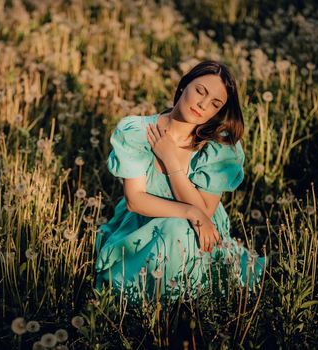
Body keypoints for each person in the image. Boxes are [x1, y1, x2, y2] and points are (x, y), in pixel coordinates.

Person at [94, 60, 266, 307]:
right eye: (200, 91)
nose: (202, 105)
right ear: (184, 84)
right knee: (175, 230)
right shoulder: (138, 131)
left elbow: (205, 212)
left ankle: (181, 309)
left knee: (181, 232)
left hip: (201, 233)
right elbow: (135, 200)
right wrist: (189, 211)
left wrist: (171, 160)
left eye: (215, 104)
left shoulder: (218, 148)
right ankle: (156, 307)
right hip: (144, 227)